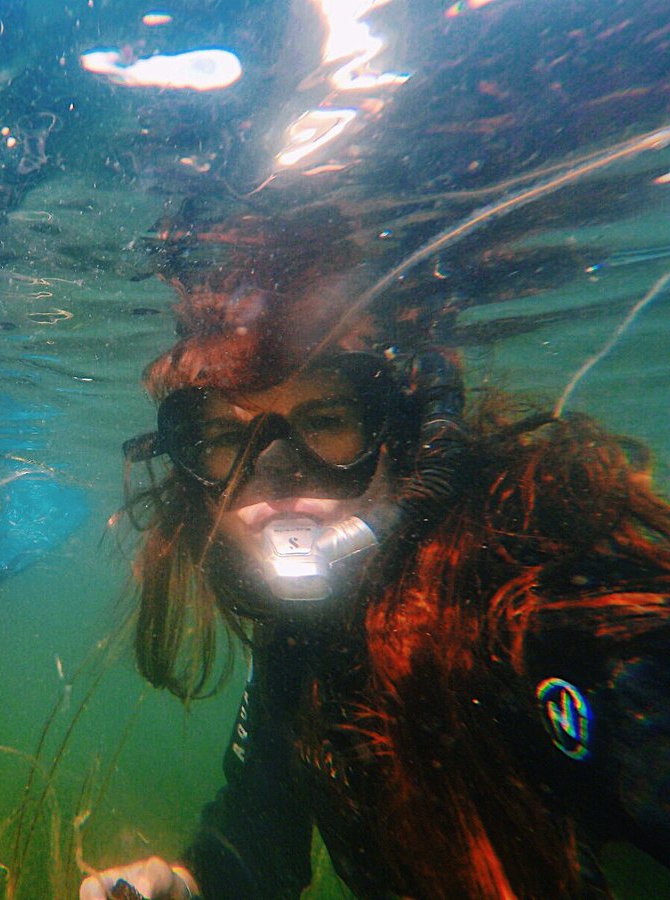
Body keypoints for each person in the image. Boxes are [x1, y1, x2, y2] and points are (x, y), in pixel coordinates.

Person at [81, 211, 670, 899]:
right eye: (223, 440)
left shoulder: (537, 587)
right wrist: (188, 884)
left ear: (402, 437)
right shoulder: (300, 629)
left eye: (326, 422)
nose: (277, 480)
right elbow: (263, 832)